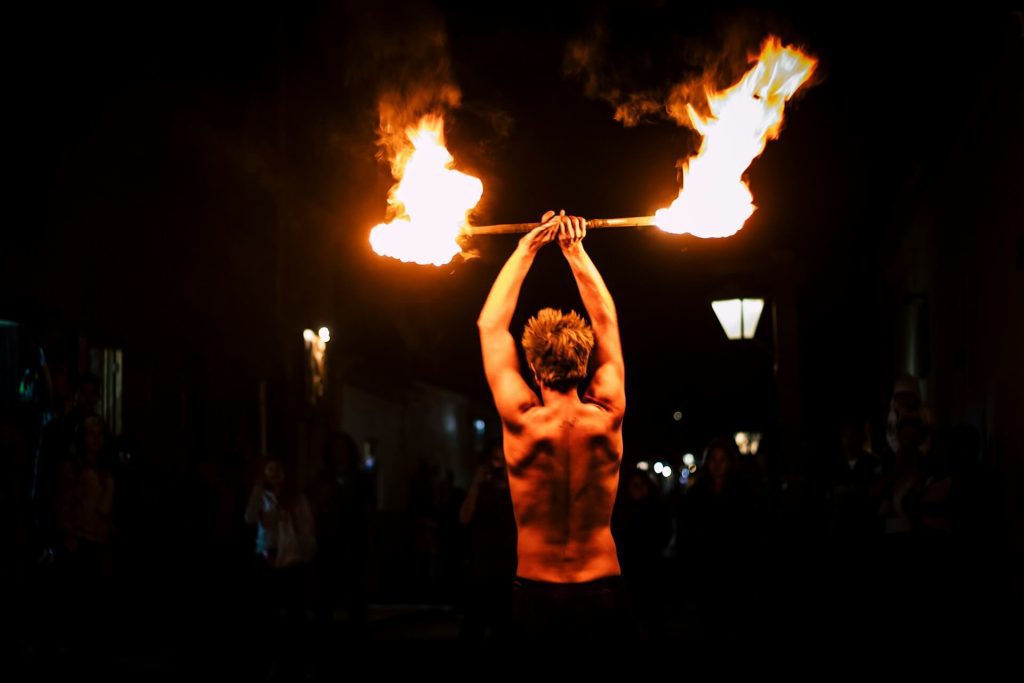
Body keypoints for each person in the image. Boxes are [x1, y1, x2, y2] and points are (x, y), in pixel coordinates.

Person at [477, 210, 638, 640]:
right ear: (585, 362)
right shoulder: (608, 414)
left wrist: (525, 248)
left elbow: (490, 326)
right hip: (604, 585)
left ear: (531, 365)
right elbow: (606, 321)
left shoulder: (521, 420)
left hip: (536, 590)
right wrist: (575, 250)